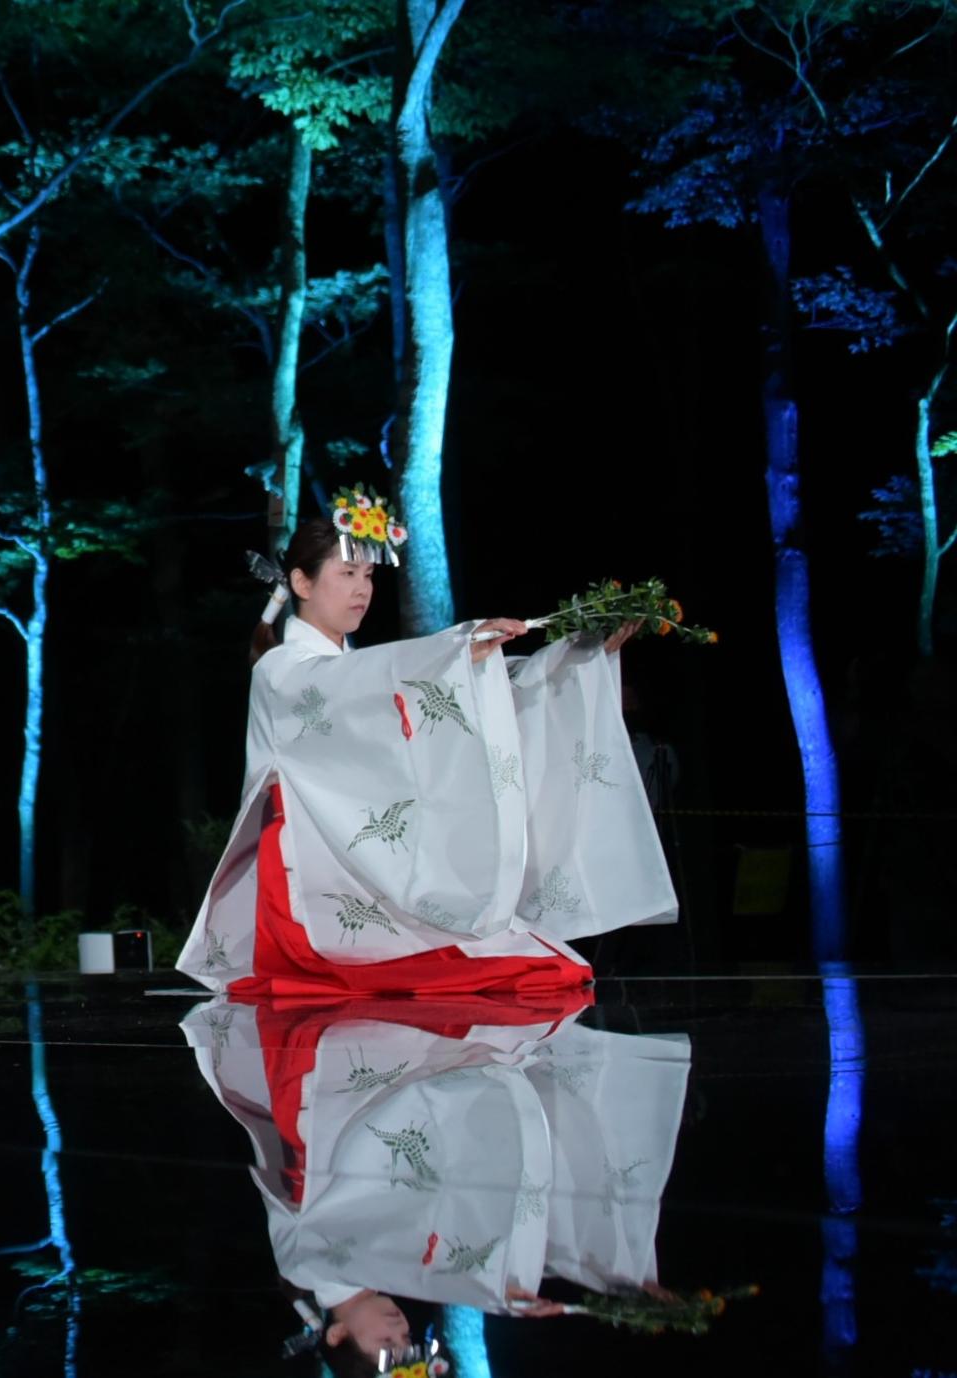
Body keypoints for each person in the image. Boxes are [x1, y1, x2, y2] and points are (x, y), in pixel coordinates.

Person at [178, 488, 675, 997]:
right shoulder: (282, 669)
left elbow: (386, 684)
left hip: (362, 857)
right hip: (309, 869)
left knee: (531, 963)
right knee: (504, 972)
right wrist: (455, 649)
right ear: (302, 582)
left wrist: (570, 656)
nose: (362, 590)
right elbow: (363, 682)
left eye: (368, 575)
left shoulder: (352, 666)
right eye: (347, 575)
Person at [180, 994, 694, 1373]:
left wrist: (496, 1288)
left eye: (386, 1344)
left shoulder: (312, 1266)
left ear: (336, 1334)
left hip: (351, 1101)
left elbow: (396, 1231)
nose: (401, 1330)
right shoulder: (368, 1271)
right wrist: (519, 1290)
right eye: (407, 1343)